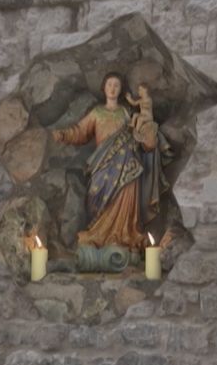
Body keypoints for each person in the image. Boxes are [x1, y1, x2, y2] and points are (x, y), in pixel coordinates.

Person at [52, 73, 170, 251]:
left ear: (121, 89)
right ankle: (100, 236)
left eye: (116, 85)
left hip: (128, 167)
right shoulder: (97, 113)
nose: (113, 89)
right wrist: (63, 135)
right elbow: (80, 132)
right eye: (109, 85)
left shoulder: (126, 112)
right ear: (103, 88)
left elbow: (140, 134)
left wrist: (149, 138)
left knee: (126, 195)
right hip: (103, 166)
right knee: (97, 194)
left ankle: (125, 236)